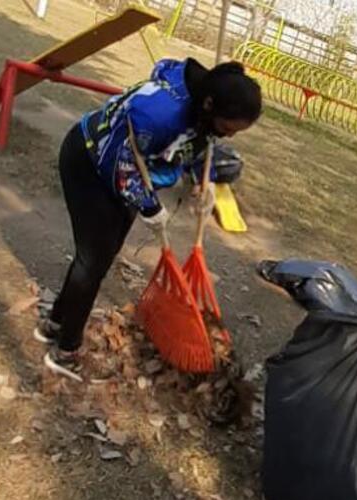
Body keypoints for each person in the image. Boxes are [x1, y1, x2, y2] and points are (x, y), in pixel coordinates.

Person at [34, 58, 262, 381]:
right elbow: (118, 160)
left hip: (131, 172)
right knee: (93, 260)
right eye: (227, 128)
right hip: (89, 160)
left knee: (103, 253)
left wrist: (204, 180)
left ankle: (55, 321)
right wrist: (150, 206)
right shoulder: (159, 114)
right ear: (209, 105)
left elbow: (199, 142)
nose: (229, 136)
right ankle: (66, 349)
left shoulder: (206, 106)